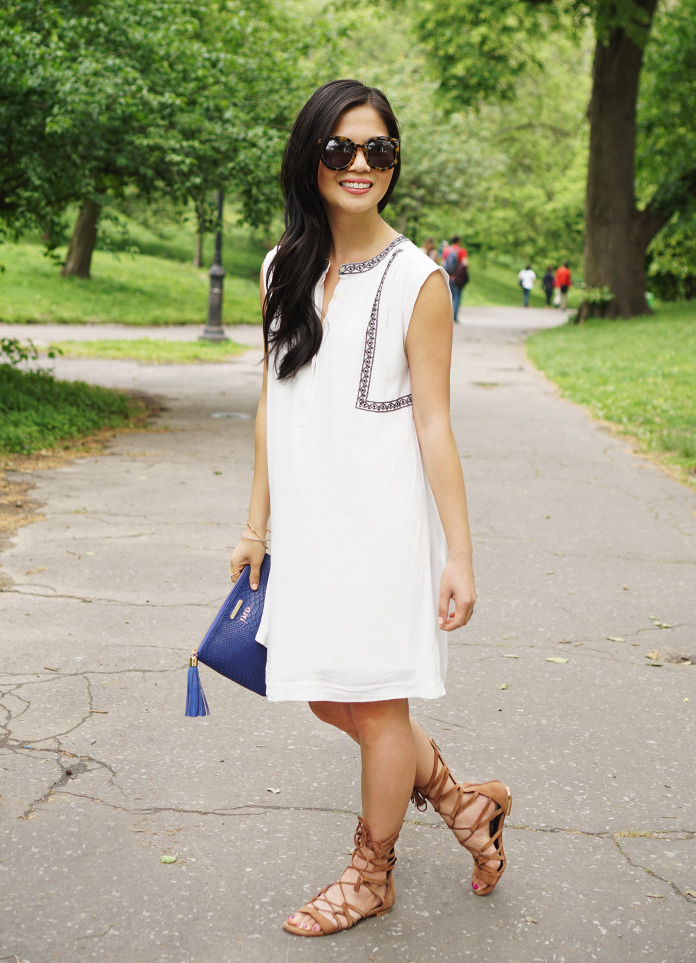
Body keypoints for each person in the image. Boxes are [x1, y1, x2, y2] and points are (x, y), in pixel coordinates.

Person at [229, 80, 511, 938]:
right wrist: (255, 524)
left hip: (383, 524)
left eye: (377, 151)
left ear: (394, 163)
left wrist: (458, 554)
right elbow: (271, 401)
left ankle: (370, 873)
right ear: (308, 157)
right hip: (312, 526)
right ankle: (463, 803)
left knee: (376, 703)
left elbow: (433, 422)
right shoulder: (285, 266)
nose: (359, 166)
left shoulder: (417, 279)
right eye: (340, 149)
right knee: (323, 693)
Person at [442, 235, 469, 322]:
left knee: (449, 296)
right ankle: (454, 317)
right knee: (457, 296)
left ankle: (447, 316)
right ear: (459, 241)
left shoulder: (446, 250)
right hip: (457, 278)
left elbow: (443, 262)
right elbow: (465, 263)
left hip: (447, 276)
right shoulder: (461, 251)